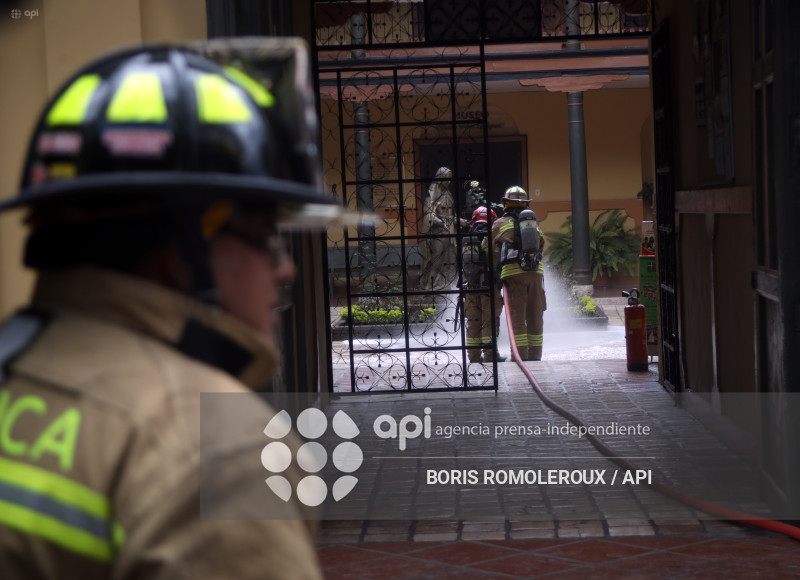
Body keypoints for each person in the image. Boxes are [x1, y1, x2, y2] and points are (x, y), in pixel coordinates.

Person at [0, 41, 339, 579]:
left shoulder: (18, 368)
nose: (285, 269)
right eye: (264, 237)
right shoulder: (218, 449)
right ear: (185, 254)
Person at [491, 186, 546, 361]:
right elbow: (542, 244)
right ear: (525, 204)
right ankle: (535, 355)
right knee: (535, 315)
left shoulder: (500, 223)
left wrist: (495, 266)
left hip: (513, 275)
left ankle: (519, 355)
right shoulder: (532, 224)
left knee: (517, 316)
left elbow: (487, 246)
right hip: (536, 273)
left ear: (506, 204)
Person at [462, 206, 506, 363]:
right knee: (490, 320)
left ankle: (473, 356)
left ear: (474, 219)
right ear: (492, 220)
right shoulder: (492, 236)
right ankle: (490, 356)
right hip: (489, 286)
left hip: (471, 287)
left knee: (473, 321)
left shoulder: (467, 237)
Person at [419, 166, 457, 290]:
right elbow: (429, 211)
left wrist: (464, 222)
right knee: (437, 257)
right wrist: (438, 221)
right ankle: (431, 282)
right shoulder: (433, 190)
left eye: (450, 179)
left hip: (448, 231)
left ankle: (444, 283)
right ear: (441, 178)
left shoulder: (447, 193)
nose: (449, 182)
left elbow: (451, 215)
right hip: (438, 230)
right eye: (447, 179)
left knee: (449, 257)